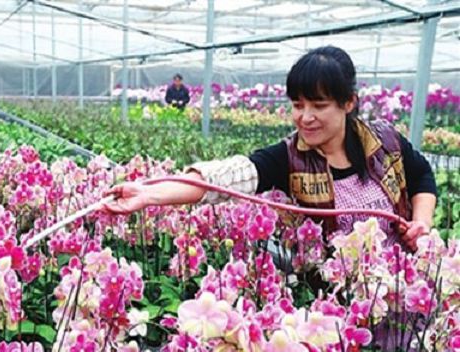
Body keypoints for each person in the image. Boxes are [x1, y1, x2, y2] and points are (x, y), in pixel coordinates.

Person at [107, 46, 437, 251]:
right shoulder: (289, 157)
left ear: (348, 103)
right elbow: (224, 178)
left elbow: (421, 174)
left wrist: (421, 222)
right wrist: (149, 195)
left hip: (399, 284)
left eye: (318, 106)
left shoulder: (385, 141)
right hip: (334, 302)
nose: (305, 118)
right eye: (297, 104)